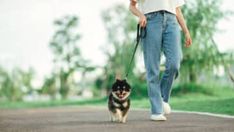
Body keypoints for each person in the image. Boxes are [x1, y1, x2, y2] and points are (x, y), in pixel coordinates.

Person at [129, 0, 192, 121]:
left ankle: (162, 98)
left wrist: (186, 30)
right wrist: (141, 15)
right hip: (151, 21)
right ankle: (156, 111)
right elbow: (132, 6)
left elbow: (177, 9)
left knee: (174, 63)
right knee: (152, 68)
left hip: (172, 21)